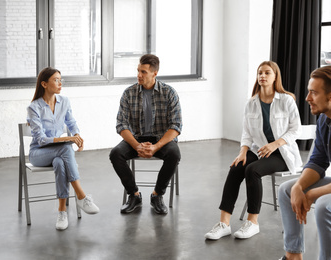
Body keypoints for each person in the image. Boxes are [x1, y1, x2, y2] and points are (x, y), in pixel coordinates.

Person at [205, 61, 302, 240]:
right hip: (260, 150)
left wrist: (275, 144)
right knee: (236, 167)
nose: (262, 76)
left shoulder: (286, 100)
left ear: (275, 77)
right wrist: (243, 152)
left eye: (267, 73)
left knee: (252, 170)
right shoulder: (251, 103)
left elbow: (296, 129)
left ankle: (253, 222)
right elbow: (247, 132)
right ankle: (224, 223)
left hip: (282, 153)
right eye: (260, 73)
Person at [27, 67, 99, 231]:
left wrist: (76, 135)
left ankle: (62, 212)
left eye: (61, 79)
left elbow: (71, 123)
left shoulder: (64, 101)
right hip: (38, 154)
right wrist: (68, 139)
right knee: (66, 148)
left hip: (58, 154)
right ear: (44, 84)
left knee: (60, 162)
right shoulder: (34, 107)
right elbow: (41, 139)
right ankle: (81, 195)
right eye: (56, 80)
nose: (60, 83)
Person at [109, 54, 182, 215]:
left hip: (160, 138)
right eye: (138, 71)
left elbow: (176, 126)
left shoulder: (169, 93)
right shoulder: (129, 93)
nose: (139, 75)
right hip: (136, 138)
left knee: (174, 154)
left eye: (143, 72)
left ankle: (157, 195)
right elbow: (121, 124)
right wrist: (137, 145)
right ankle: (134, 194)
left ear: (155, 73)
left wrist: (156, 146)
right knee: (115, 154)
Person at [278, 66, 331, 260]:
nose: (307, 98)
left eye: (314, 93)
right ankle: (293, 256)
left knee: (325, 204)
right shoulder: (324, 120)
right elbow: (318, 161)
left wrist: (313, 194)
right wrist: (299, 186)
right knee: (287, 189)